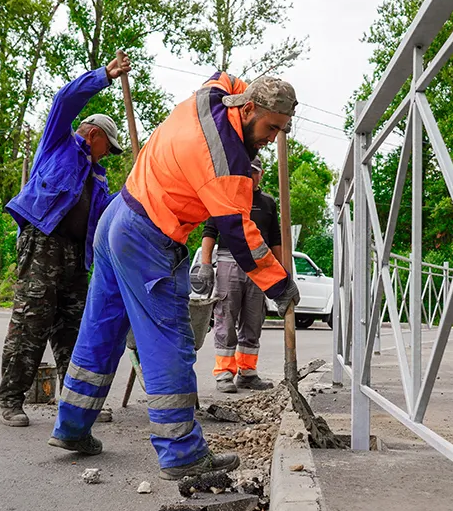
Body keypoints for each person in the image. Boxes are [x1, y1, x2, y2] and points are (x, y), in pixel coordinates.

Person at [49, 73, 300, 481]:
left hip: (118, 217)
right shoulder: (228, 162)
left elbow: (224, 76)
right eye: (271, 127)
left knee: (101, 331)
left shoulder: (212, 95)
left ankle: (72, 427)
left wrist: (251, 90)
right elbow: (238, 233)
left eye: (282, 130)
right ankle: (181, 452)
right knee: (169, 340)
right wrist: (280, 284)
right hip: (148, 234)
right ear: (249, 109)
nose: (273, 138)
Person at [0, 56, 130, 426]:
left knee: (75, 328)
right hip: (42, 244)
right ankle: (11, 400)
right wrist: (105, 75)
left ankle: (77, 403)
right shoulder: (60, 143)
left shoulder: (99, 178)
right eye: (109, 146)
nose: (110, 154)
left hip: (76, 256)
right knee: (31, 321)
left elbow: (107, 220)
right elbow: (64, 100)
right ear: (94, 134)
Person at [202, 156, 283, 393]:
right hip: (229, 264)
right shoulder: (225, 196)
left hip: (260, 269)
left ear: (262, 174)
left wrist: (282, 273)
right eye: (247, 171)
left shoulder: (268, 202)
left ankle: (247, 373)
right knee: (226, 318)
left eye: (255, 172)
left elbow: (276, 239)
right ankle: (224, 374)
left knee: (254, 320)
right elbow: (210, 231)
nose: (250, 176)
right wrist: (206, 264)